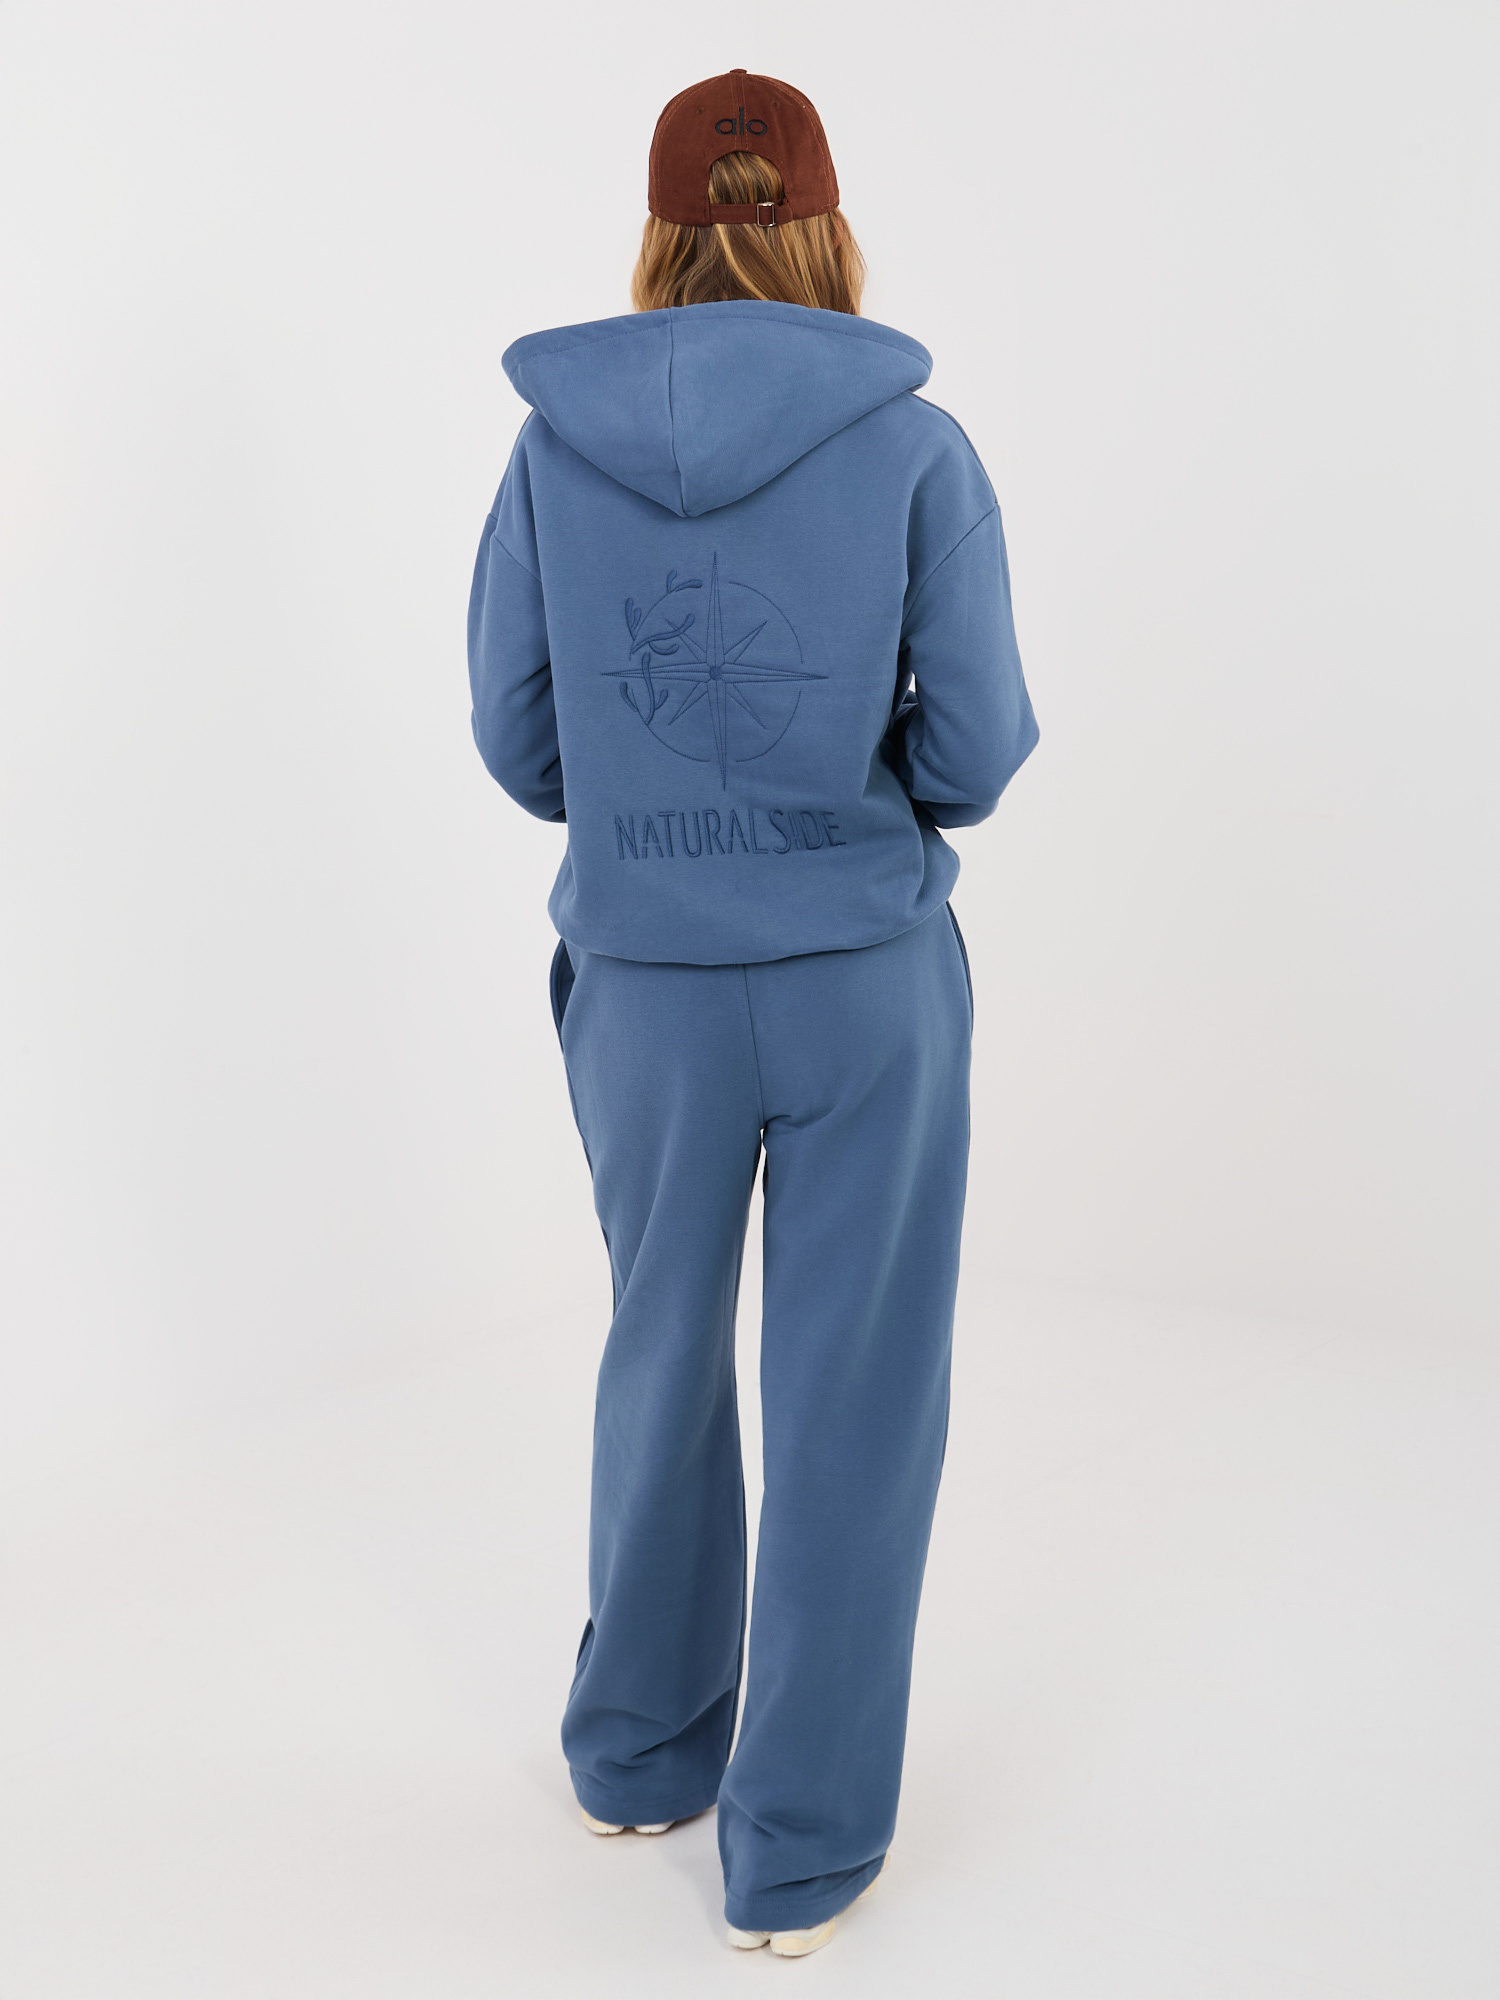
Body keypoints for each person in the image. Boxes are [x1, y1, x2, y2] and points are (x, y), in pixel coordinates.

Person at [467, 67, 1038, 1958]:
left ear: (661, 229)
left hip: (645, 988)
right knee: (854, 1393)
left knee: (659, 1346)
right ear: (824, 222)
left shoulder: (550, 454)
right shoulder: (916, 451)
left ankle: (639, 1752)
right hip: (865, 981)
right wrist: (850, 800)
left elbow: (519, 739)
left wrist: (654, 811)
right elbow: (978, 747)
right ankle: (794, 1857)